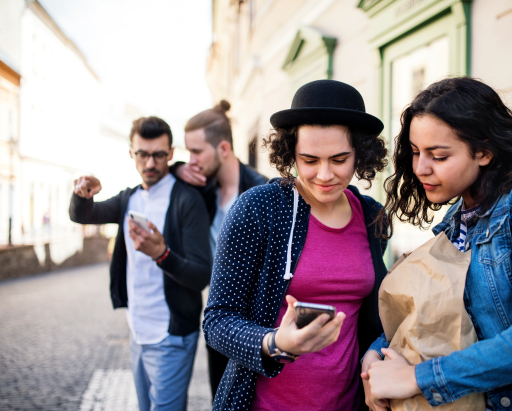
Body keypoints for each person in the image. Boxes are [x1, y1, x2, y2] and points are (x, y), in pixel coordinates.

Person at [362, 77, 512, 411]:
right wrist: (376, 355)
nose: (420, 168)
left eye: (439, 156)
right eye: (415, 153)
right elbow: (433, 309)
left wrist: (415, 378)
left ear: (484, 152)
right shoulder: (459, 216)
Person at [202, 79, 389, 411]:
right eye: (310, 159)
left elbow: (376, 318)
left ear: (360, 153)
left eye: (339, 159)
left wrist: (376, 351)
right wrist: (274, 343)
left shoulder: (373, 217)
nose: (325, 174)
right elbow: (217, 320)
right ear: (291, 153)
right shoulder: (258, 209)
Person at [70, 116, 213, 411]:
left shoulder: (187, 200)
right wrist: (82, 193)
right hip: (136, 330)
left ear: (171, 153)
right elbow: (84, 216)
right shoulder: (129, 198)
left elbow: (201, 275)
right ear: (131, 154)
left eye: (159, 155)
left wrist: (162, 254)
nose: (150, 163)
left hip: (172, 333)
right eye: (142, 154)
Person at [170, 100, 268, 400]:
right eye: (187, 153)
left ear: (223, 149)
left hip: (257, 320)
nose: (191, 160)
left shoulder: (260, 191)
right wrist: (176, 169)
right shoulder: (201, 186)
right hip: (218, 315)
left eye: (196, 152)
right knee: (221, 397)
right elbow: (162, 173)